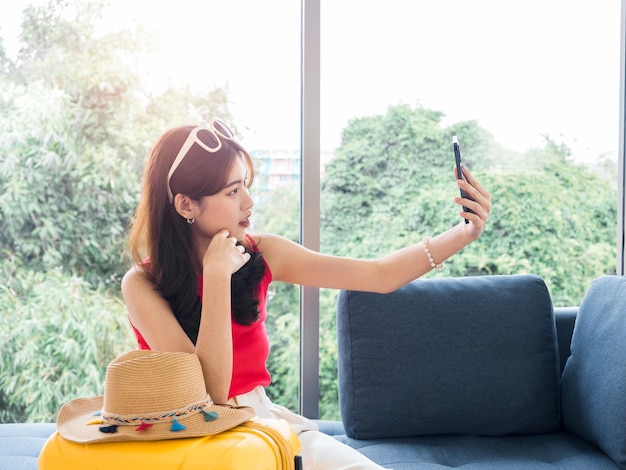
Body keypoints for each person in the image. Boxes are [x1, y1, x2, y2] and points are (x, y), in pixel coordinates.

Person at [121, 119, 492, 469]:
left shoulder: (262, 252)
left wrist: (462, 234)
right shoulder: (142, 284)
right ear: (186, 204)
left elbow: (379, 275)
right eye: (233, 191)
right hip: (192, 439)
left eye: (246, 185)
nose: (249, 202)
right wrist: (217, 276)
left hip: (261, 425)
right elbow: (209, 397)